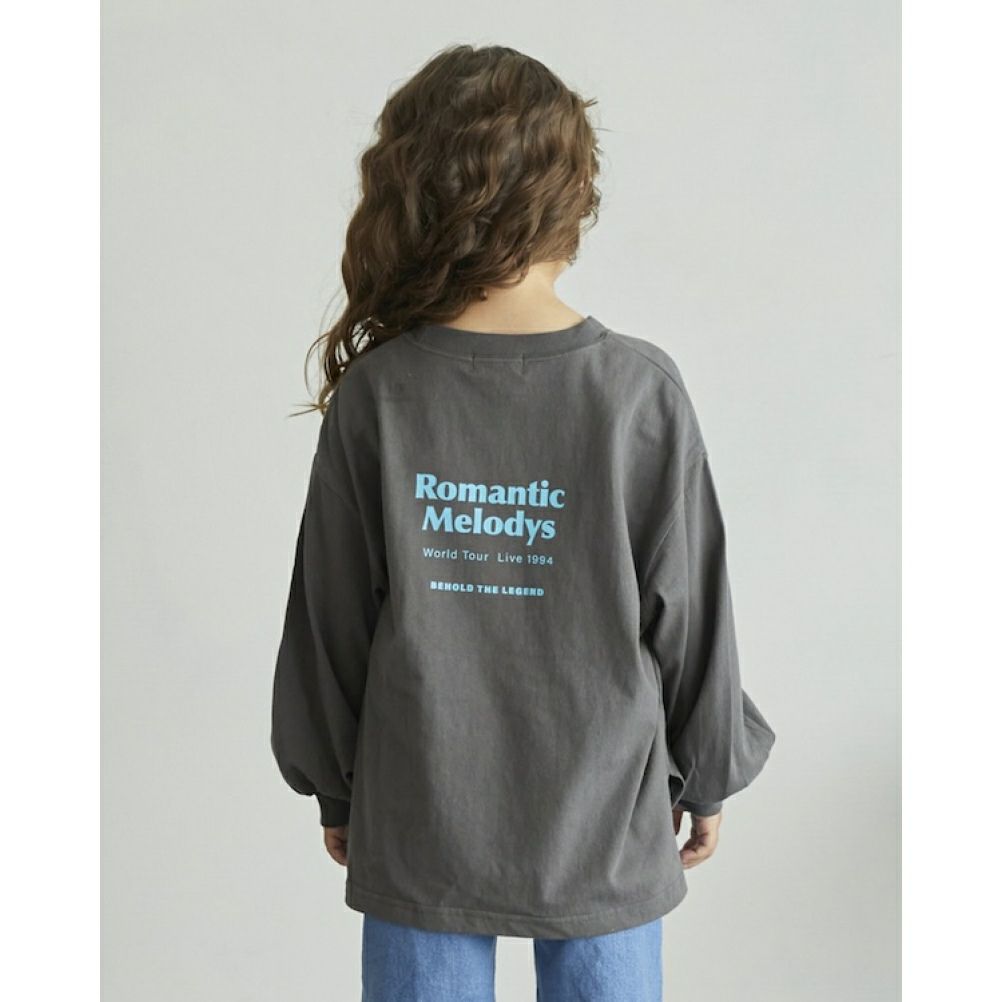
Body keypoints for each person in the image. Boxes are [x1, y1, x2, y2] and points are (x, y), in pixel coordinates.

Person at [270, 42, 776, 1002]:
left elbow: (329, 619)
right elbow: (691, 611)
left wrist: (336, 784)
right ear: (571, 194)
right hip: (605, 819)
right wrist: (706, 771)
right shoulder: (635, 391)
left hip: (422, 811)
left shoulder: (380, 395)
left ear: (409, 191)